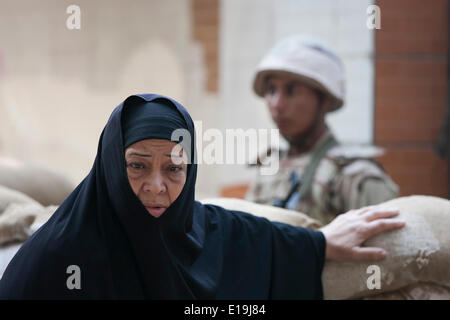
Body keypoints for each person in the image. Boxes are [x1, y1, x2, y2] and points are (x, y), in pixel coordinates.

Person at [0, 94, 405, 299]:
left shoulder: (195, 230)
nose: (156, 186)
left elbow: (256, 241)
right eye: (138, 165)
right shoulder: (59, 255)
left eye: (174, 169)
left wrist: (320, 244)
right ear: (111, 164)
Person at [245, 35, 399, 225]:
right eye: (271, 90)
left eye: (292, 90)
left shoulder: (355, 178)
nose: (277, 103)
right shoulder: (270, 167)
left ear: (325, 100)